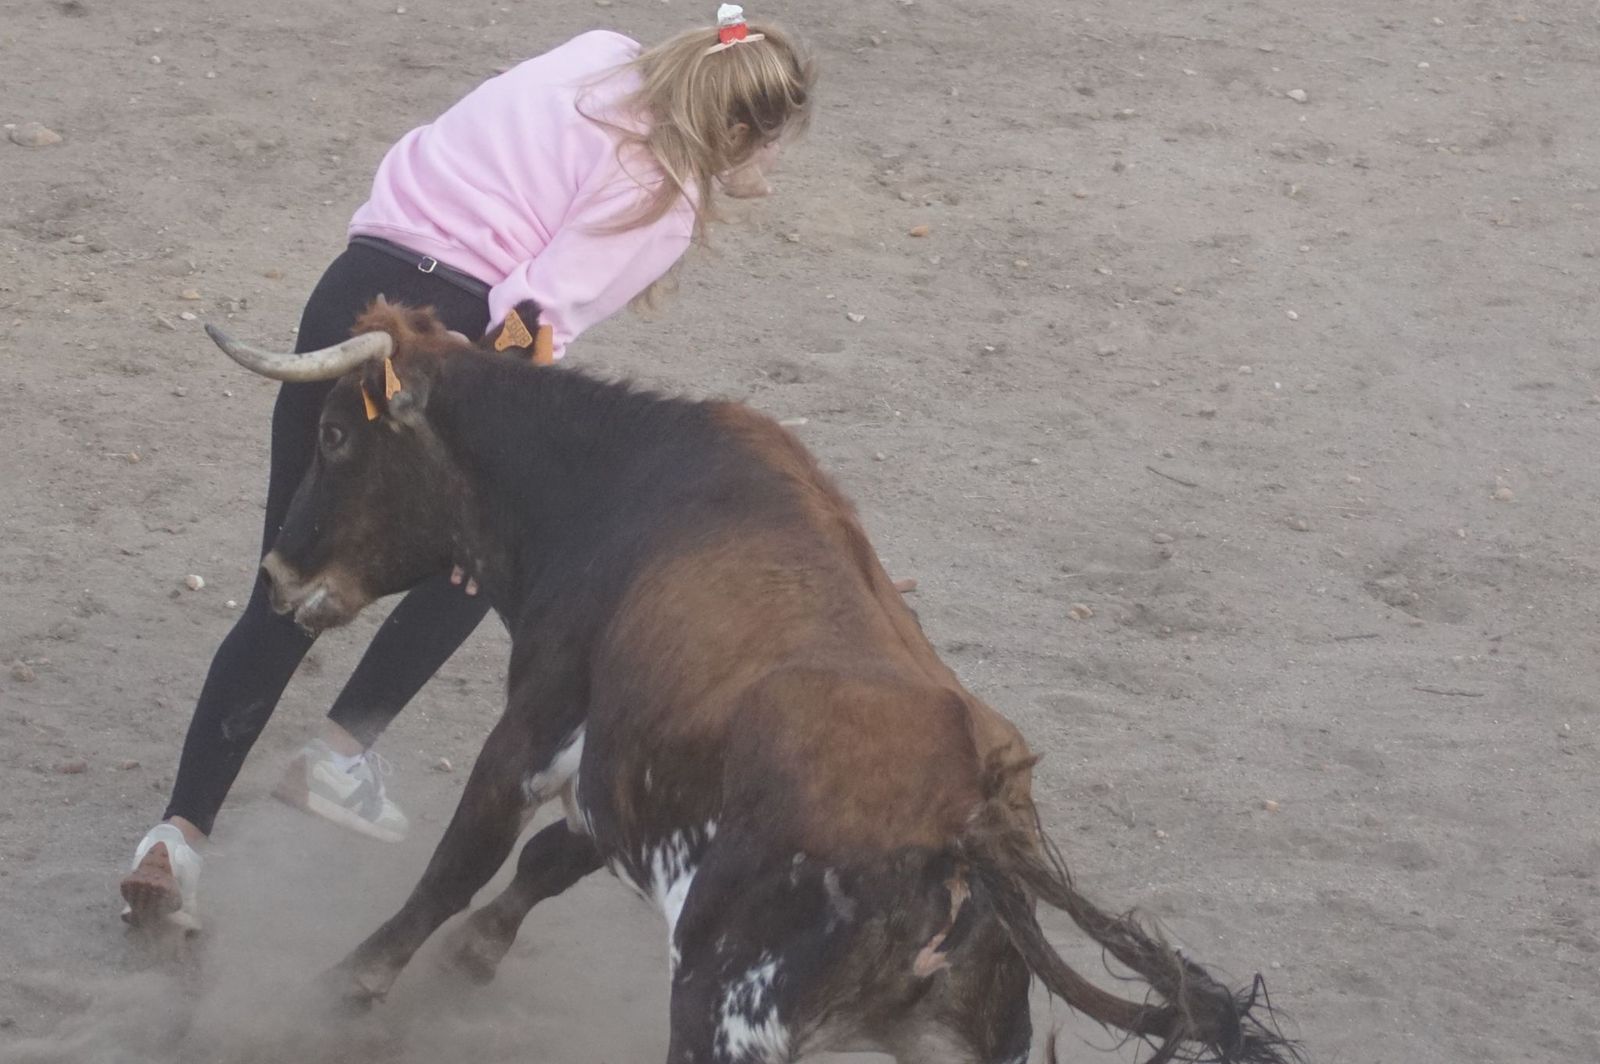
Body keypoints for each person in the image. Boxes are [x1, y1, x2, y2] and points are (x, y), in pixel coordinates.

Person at [119, 4, 815, 933]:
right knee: (484, 560)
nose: (772, 168)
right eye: (771, 147)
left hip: (352, 297)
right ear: (737, 130)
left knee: (289, 574)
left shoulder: (598, 55)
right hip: (448, 340)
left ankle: (176, 839)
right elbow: (528, 318)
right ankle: (341, 751)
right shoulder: (666, 198)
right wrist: (485, 466)